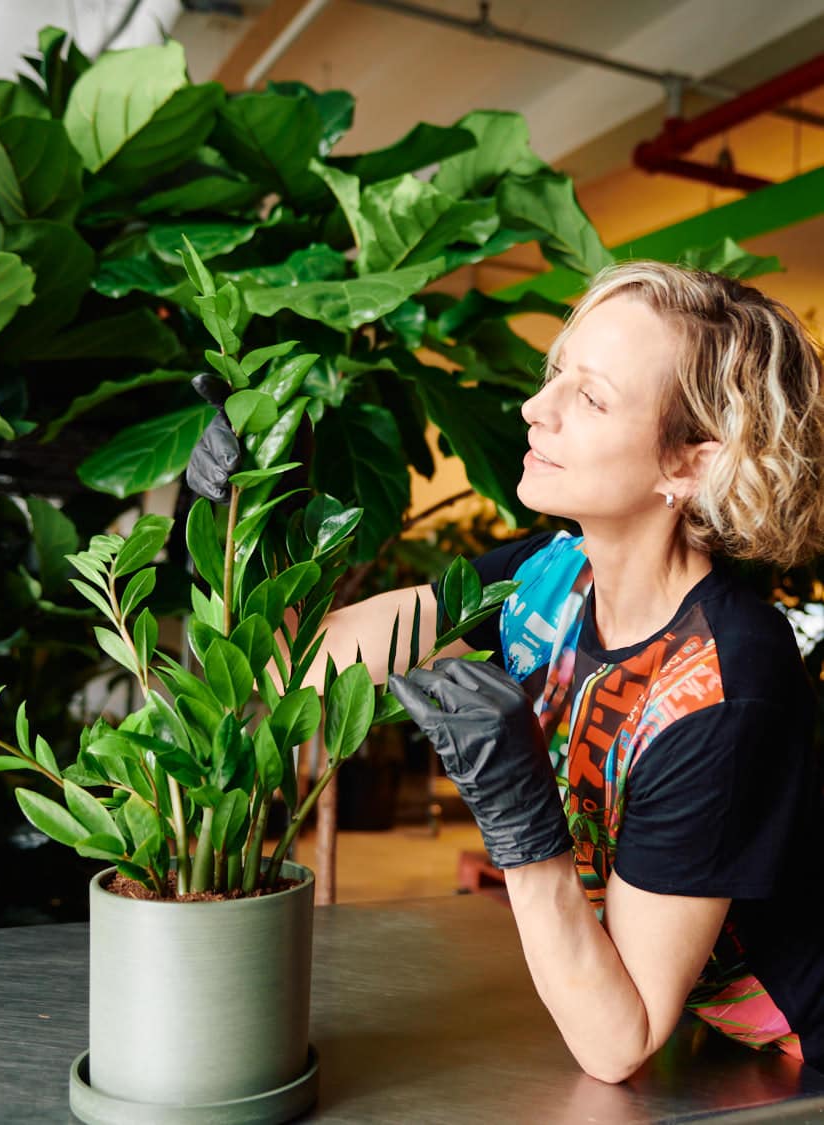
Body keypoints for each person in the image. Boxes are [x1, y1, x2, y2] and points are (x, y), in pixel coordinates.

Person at [187, 260, 824, 1082]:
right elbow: (292, 667)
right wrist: (228, 524)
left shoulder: (723, 687)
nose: (535, 407)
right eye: (555, 375)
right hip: (729, 1052)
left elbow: (617, 1041)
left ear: (690, 464)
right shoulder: (548, 578)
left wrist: (520, 817)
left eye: (590, 397)